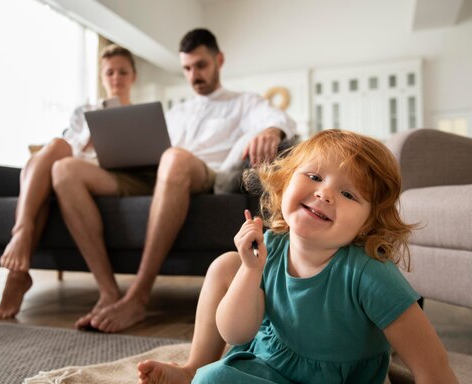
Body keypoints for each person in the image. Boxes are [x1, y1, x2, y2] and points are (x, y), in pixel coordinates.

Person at [137, 130, 471, 384]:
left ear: (367, 223)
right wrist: (251, 271)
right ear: (284, 183)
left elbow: (432, 367)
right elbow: (236, 332)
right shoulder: (272, 246)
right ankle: (193, 367)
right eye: (313, 177)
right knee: (227, 265)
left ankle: (202, 379)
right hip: (271, 352)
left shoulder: (370, 275)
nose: (325, 193)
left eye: (349, 194)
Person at [52, 28, 297, 333]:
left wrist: (272, 131)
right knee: (65, 170)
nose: (194, 75)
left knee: (175, 158)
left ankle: (138, 297)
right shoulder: (177, 111)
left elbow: (280, 120)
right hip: (156, 172)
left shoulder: (244, 102)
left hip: (202, 173)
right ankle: (108, 291)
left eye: (201, 65)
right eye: (187, 68)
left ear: (218, 60)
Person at [0, 45, 138, 320]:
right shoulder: (84, 112)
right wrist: (90, 137)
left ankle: (17, 271)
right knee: (54, 149)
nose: (116, 78)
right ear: (102, 77)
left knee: (51, 165)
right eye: (110, 72)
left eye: (123, 72)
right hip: (67, 165)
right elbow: (68, 142)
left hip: (104, 172)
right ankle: (21, 234)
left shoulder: (140, 115)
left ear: (133, 76)